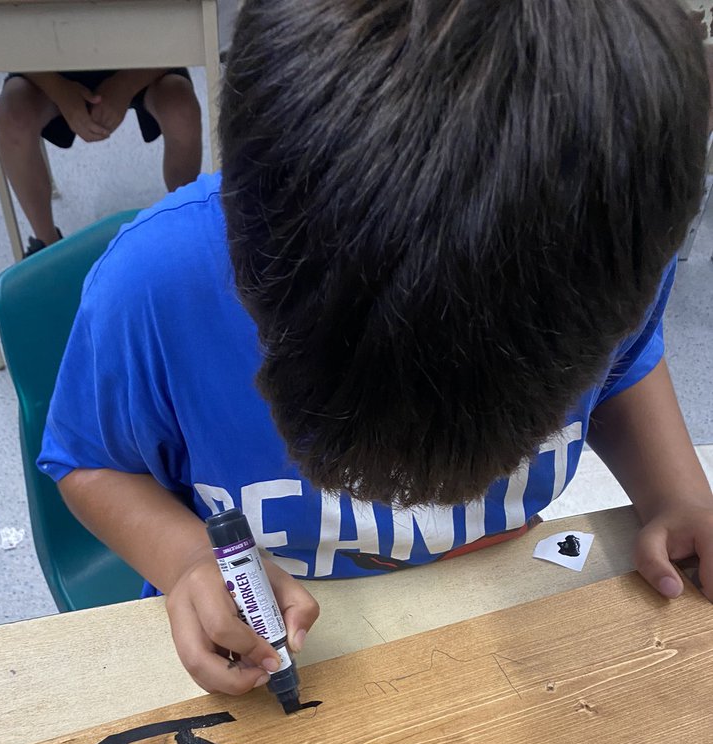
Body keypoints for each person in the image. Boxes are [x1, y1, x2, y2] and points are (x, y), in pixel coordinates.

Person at [38, 0, 713, 697]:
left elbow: (626, 362)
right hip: (254, 635)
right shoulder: (155, 285)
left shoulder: (607, 244)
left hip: (498, 601)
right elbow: (88, 463)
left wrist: (678, 495)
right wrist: (184, 562)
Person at [0, 69, 202, 254]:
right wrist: (59, 91)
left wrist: (125, 84)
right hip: (49, 63)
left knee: (181, 109)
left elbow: (177, 33)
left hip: (142, 56)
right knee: (13, 115)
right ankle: (47, 247)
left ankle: (185, 228)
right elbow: (6, 45)